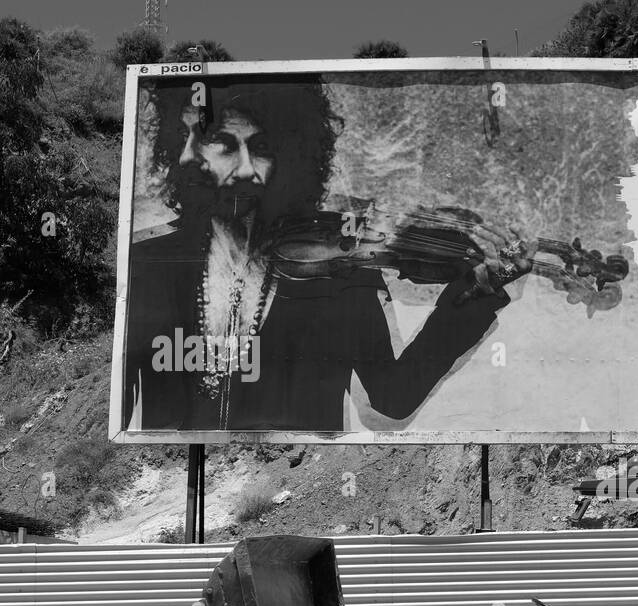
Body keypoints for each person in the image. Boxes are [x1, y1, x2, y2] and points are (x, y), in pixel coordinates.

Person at [121, 77, 530, 432]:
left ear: (293, 156)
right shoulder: (148, 267)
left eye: (261, 148)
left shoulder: (341, 272)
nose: (246, 171)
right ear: (190, 154)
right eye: (224, 145)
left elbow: (394, 395)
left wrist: (472, 295)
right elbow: (122, 409)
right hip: (173, 482)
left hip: (283, 481)